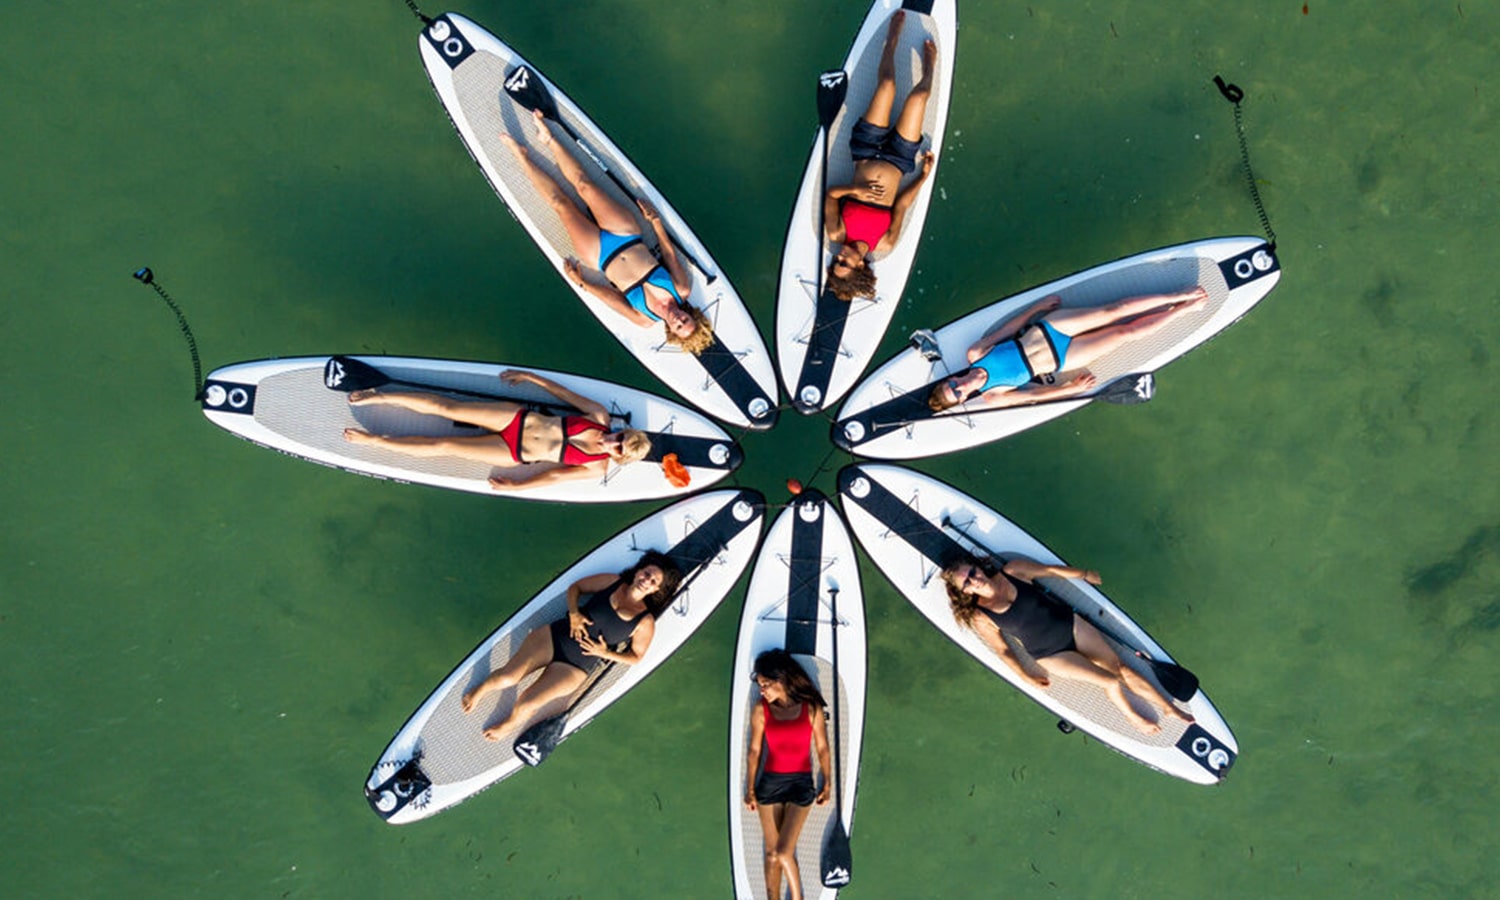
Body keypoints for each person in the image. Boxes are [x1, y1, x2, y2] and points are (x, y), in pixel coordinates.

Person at [502, 109, 714, 355]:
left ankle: (521, 155)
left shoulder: (644, 320)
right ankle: (548, 138)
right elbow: (668, 253)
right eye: (686, 321)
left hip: (600, 257)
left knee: (560, 205)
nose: (679, 320)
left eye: (679, 327)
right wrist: (655, 220)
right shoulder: (681, 289)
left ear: (673, 333)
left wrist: (582, 283)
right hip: (626, 235)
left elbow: (612, 299)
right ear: (691, 315)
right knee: (585, 186)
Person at [940, 553, 1194, 734]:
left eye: (972, 572)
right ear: (964, 592)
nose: (974, 579)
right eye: (967, 582)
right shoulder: (981, 615)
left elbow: (1050, 571)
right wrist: (1026, 676)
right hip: (1051, 653)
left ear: (978, 566)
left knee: (1122, 670)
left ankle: (1168, 708)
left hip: (1072, 625)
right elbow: (1002, 649)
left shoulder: (1013, 571)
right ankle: (1134, 718)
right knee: (1109, 680)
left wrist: (1083, 574)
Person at [460, 551, 683, 741]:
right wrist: (575, 613)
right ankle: (481, 690)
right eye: (647, 573)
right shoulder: (612, 582)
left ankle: (509, 724)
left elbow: (636, 657)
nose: (647, 580)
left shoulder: (644, 621)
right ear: (638, 571)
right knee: (508, 677)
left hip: (576, 666)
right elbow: (576, 588)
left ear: (656, 590)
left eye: (654, 582)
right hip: (555, 637)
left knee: (527, 704)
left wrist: (605, 653)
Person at [342, 368, 651, 491]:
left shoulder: (596, 467)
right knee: (448, 407)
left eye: (619, 448)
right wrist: (531, 378)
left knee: (444, 446)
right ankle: (380, 396)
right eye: (622, 436)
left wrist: (518, 487)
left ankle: (376, 442)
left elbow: (554, 476)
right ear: (625, 430)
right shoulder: (598, 415)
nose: (615, 441)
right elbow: (563, 395)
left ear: (620, 457)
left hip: (513, 453)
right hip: (516, 419)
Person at [927, 286, 1209, 412]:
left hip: (1048, 329)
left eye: (952, 384)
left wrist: (1036, 308)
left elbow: (1008, 330)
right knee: (1126, 332)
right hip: (1063, 359)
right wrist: (1070, 390)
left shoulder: (975, 355)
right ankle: (1181, 312)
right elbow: (1033, 395)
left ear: (950, 379)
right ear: (962, 399)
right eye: (957, 394)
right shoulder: (993, 397)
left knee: (1115, 310)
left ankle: (1179, 294)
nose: (958, 386)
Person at [822, 10, 938, 302]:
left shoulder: (837, 233)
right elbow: (900, 205)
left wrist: (856, 189)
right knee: (919, 97)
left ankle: (892, 40)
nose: (839, 259)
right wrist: (922, 178)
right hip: (900, 159)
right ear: (860, 266)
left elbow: (831, 195)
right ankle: (930, 68)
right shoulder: (885, 242)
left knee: (887, 85)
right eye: (844, 265)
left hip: (866, 149)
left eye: (836, 263)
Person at [742, 649, 833, 900]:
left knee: (783, 852)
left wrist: (827, 782)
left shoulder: (811, 709)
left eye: (765, 685)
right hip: (769, 785)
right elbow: (754, 751)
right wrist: (750, 789)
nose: (762, 691)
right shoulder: (762, 710)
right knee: (772, 854)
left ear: (780, 681)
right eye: (760, 686)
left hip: (800, 785)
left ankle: (797, 897)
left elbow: (823, 748)